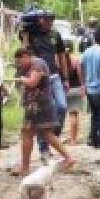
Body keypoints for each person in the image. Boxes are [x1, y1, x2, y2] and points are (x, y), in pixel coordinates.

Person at [12, 48, 75, 173]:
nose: (19, 64)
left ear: (26, 56)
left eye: (20, 61)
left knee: (37, 134)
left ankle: (25, 167)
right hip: (33, 106)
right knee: (37, 134)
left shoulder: (38, 63)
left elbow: (32, 82)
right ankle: (68, 158)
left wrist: (22, 79)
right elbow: (20, 80)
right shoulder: (26, 66)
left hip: (41, 106)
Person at [23, 10, 70, 161]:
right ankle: (44, 147)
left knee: (62, 106)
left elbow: (61, 56)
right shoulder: (31, 33)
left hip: (55, 75)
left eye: (52, 19)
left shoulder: (55, 35)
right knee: (42, 113)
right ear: (40, 20)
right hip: (39, 78)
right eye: (47, 19)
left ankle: (52, 137)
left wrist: (66, 77)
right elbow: (24, 52)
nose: (50, 22)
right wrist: (25, 34)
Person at [65, 48, 85, 145]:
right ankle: (74, 138)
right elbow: (80, 74)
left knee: (71, 115)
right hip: (77, 88)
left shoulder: (61, 62)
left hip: (67, 89)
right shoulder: (76, 60)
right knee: (75, 115)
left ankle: (72, 138)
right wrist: (83, 86)